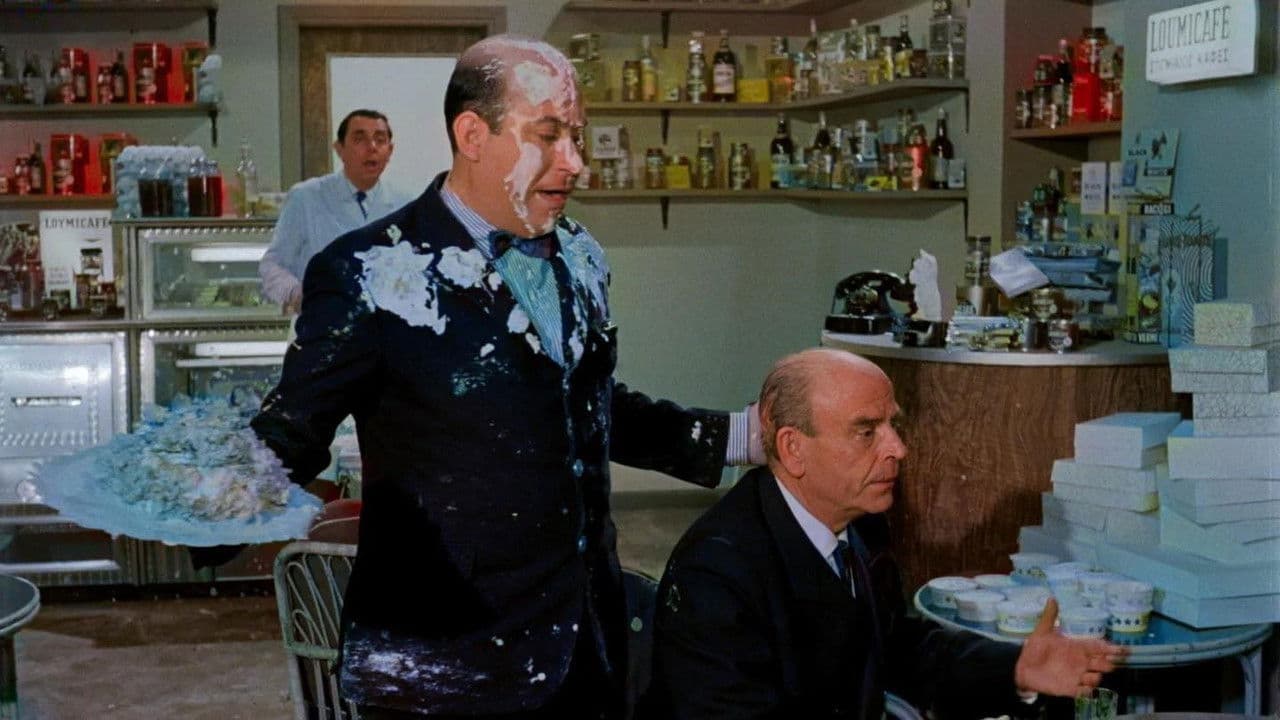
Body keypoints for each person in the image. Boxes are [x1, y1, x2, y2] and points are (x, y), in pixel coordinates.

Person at [249, 35, 758, 719]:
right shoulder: (368, 270)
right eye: (547, 136)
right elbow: (292, 430)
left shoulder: (579, 253)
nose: (574, 162)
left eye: (576, 137)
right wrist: (180, 498)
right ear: (472, 136)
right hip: (442, 665)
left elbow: (587, 404)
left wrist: (740, 436)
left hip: (583, 648)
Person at [646, 348, 1124, 720]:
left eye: (893, 425)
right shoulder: (716, 574)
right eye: (866, 432)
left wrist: (1017, 669)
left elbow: (898, 649)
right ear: (793, 449)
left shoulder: (862, 523)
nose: (898, 448)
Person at [258, 108, 410, 314]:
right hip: (321, 322)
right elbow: (272, 265)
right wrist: (297, 294)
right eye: (360, 139)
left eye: (380, 140)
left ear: (390, 151)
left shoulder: (406, 204)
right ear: (339, 149)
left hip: (383, 326)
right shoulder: (306, 197)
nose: (372, 147)